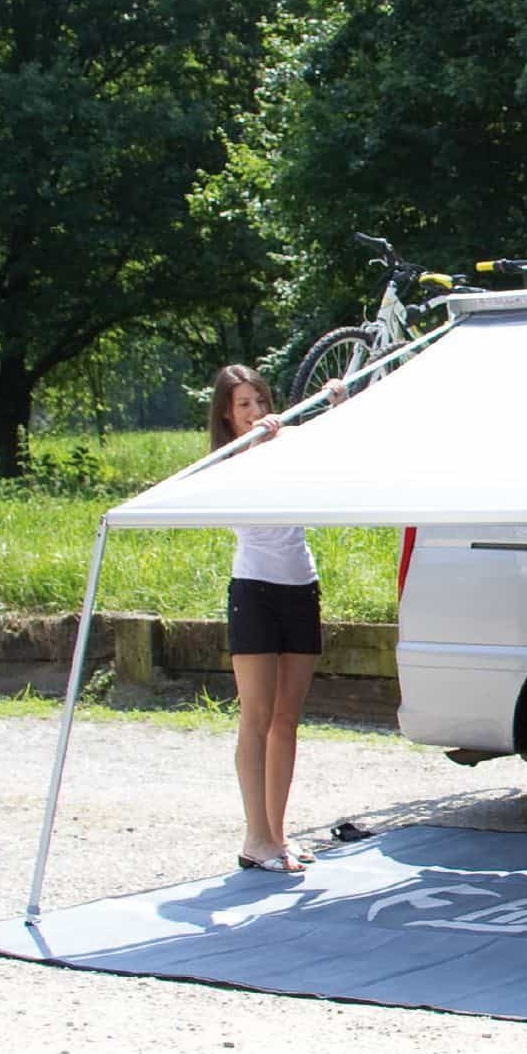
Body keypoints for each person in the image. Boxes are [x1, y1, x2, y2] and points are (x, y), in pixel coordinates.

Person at [207, 365, 345, 874]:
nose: (257, 412)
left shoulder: (288, 443)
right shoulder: (226, 459)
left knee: (287, 718)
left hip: (300, 587)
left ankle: (278, 835)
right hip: (254, 591)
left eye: (260, 401)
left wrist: (337, 406)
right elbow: (221, 498)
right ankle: (255, 837)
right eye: (244, 405)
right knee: (257, 717)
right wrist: (251, 447)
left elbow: (336, 460)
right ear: (227, 413)